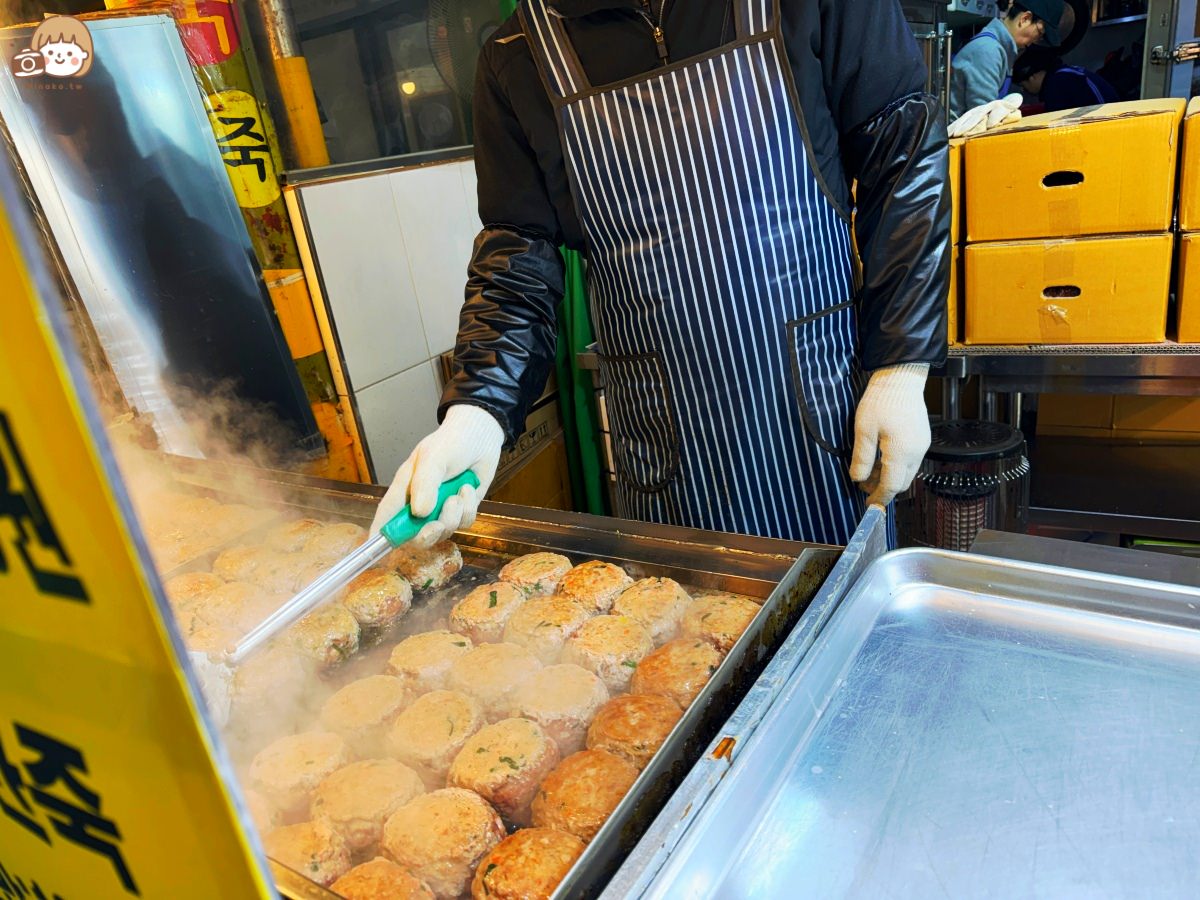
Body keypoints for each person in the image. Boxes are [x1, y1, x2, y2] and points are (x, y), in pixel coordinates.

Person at [372, 0, 950, 549]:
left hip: (824, 416)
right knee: (682, 639)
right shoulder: (517, 53)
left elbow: (902, 157)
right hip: (666, 446)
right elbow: (517, 253)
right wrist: (477, 410)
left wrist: (901, 365)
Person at [950, 0, 1065, 121]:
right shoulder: (988, 50)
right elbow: (982, 117)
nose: (1037, 40)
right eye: (1040, 32)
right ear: (1025, 19)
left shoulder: (1002, 50)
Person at [1013, 44, 1118, 110]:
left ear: (1033, 76)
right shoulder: (1063, 74)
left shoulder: (1056, 85)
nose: (1024, 90)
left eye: (1023, 85)